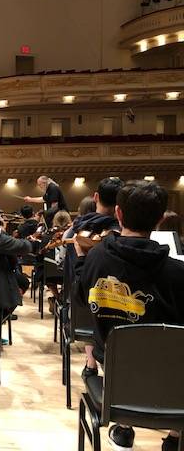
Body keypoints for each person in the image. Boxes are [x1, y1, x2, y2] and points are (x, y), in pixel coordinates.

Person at [74, 180, 183, 451]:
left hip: (113, 370)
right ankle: (175, 436)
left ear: (118, 214)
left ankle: (123, 428)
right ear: (159, 220)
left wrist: (79, 262)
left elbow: (79, 302)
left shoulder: (96, 258)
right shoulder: (178, 274)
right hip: (171, 377)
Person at [63, 177, 123, 379]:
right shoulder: (119, 228)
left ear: (96, 197)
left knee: (91, 302)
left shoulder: (79, 224)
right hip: (115, 299)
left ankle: (90, 362)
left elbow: (65, 243)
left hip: (79, 296)